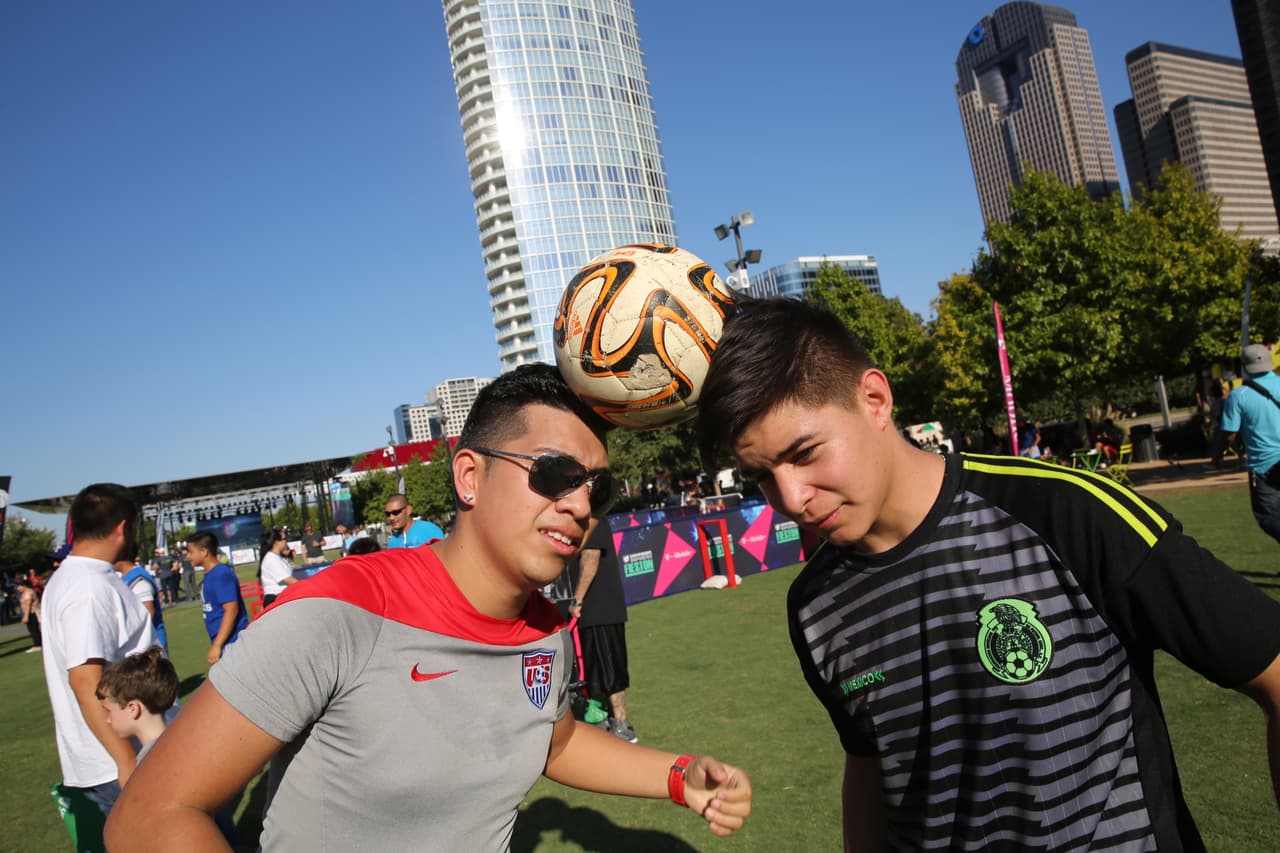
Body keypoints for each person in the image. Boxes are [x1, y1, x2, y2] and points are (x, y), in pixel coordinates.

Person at [696, 298, 1280, 851]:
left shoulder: (1065, 512)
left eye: (805, 453)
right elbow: (870, 766)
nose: (791, 497)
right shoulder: (814, 604)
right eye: (762, 476)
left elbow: (1271, 669)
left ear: (874, 399)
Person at [107, 363, 751, 852]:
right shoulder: (337, 611)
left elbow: (550, 742)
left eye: (597, 487)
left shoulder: (548, 632)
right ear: (469, 476)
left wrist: (677, 775)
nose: (581, 505)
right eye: (554, 474)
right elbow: (149, 817)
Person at [40, 483, 158, 830]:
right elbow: (85, 679)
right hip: (120, 759)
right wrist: (126, 761)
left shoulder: (77, 578)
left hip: (125, 753)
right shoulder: (86, 587)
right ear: (124, 527)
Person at [563, 519, 638, 743]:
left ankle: (622, 724)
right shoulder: (581, 521)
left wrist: (577, 599)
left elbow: (591, 559)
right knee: (594, 670)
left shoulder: (595, 521)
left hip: (602, 610)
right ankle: (604, 719)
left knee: (611, 670)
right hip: (590, 612)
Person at [1220, 343, 1280, 542]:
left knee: (1268, 515)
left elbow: (1229, 433)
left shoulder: (1239, 395)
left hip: (1264, 465)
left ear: (1245, 366)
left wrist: (1222, 453)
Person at [95, 646, 178, 767]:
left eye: (109, 711)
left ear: (133, 709)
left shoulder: (151, 763)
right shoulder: (180, 743)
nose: (107, 719)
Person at [191, 532, 249, 665]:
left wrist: (217, 645)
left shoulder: (221, 574)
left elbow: (231, 610)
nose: (188, 556)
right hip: (225, 642)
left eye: (191, 552)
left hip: (232, 642)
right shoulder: (210, 575)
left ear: (204, 552)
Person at [116, 554, 169, 654]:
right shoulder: (124, 577)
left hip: (149, 645)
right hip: (138, 645)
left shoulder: (138, 578)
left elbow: (148, 612)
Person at [257, 528, 296, 607]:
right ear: (276, 542)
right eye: (284, 539)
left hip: (282, 597)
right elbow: (288, 580)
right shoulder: (271, 558)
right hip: (276, 599)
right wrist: (307, 586)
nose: (286, 541)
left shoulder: (278, 557)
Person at [16, 578, 42, 652]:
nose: (18, 589)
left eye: (18, 586)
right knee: (32, 629)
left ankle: (37, 645)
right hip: (30, 613)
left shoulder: (28, 592)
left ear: (23, 585)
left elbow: (28, 605)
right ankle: (38, 644)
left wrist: (26, 616)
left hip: (32, 613)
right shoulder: (25, 592)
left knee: (34, 629)